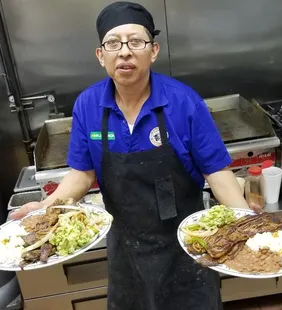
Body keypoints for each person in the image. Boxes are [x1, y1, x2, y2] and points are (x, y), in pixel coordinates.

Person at [11, 2, 261, 309]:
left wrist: (249, 225)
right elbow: (82, 173)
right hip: (126, 247)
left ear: (153, 51)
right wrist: (46, 209)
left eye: (136, 42)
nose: (125, 51)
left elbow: (217, 171)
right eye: (113, 43)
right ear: (101, 56)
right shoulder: (87, 105)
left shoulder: (184, 102)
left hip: (188, 240)